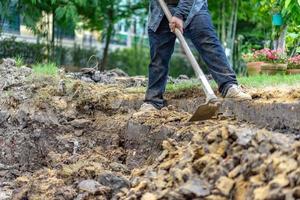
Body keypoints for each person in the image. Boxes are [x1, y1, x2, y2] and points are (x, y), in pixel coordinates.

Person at [140, 0, 252, 111]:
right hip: (160, 10)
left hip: (193, 7)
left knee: (208, 43)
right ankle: (153, 101)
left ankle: (229, 86)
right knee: (158, 57)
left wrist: (180, 14)